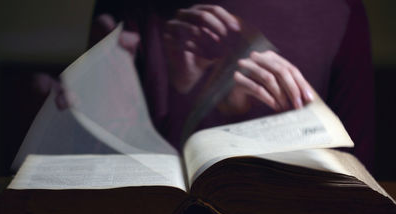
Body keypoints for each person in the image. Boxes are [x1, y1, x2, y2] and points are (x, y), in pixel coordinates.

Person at [35, 0, 375, 171]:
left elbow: (357, 170)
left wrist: (300, 123)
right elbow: (102, 168)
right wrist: (69, 124)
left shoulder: (339, 11)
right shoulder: (130, 8)